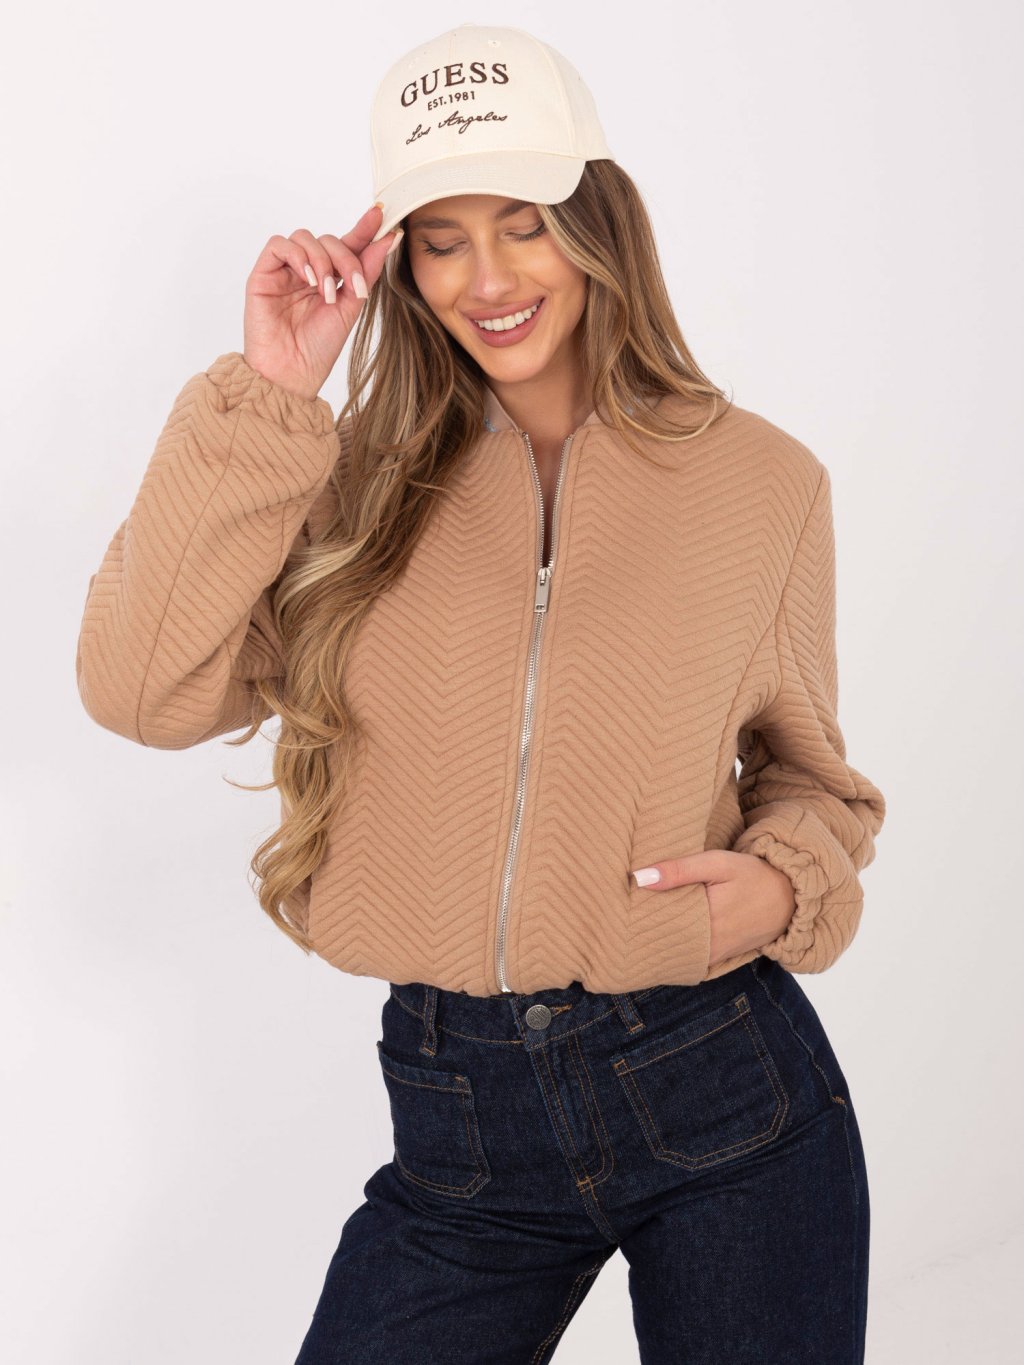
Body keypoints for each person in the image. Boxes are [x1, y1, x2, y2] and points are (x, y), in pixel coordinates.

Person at [75, 22, 886, 1364]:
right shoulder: (341, 481)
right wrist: (273, 394)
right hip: (459, 1123)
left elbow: (812, 776)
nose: (490, 279)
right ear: (399, 263)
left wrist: (787, 885)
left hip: (724, 1090)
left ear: (599, 224)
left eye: (526, 225)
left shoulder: (764, 482)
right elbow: (139, 688)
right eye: (444, 240)